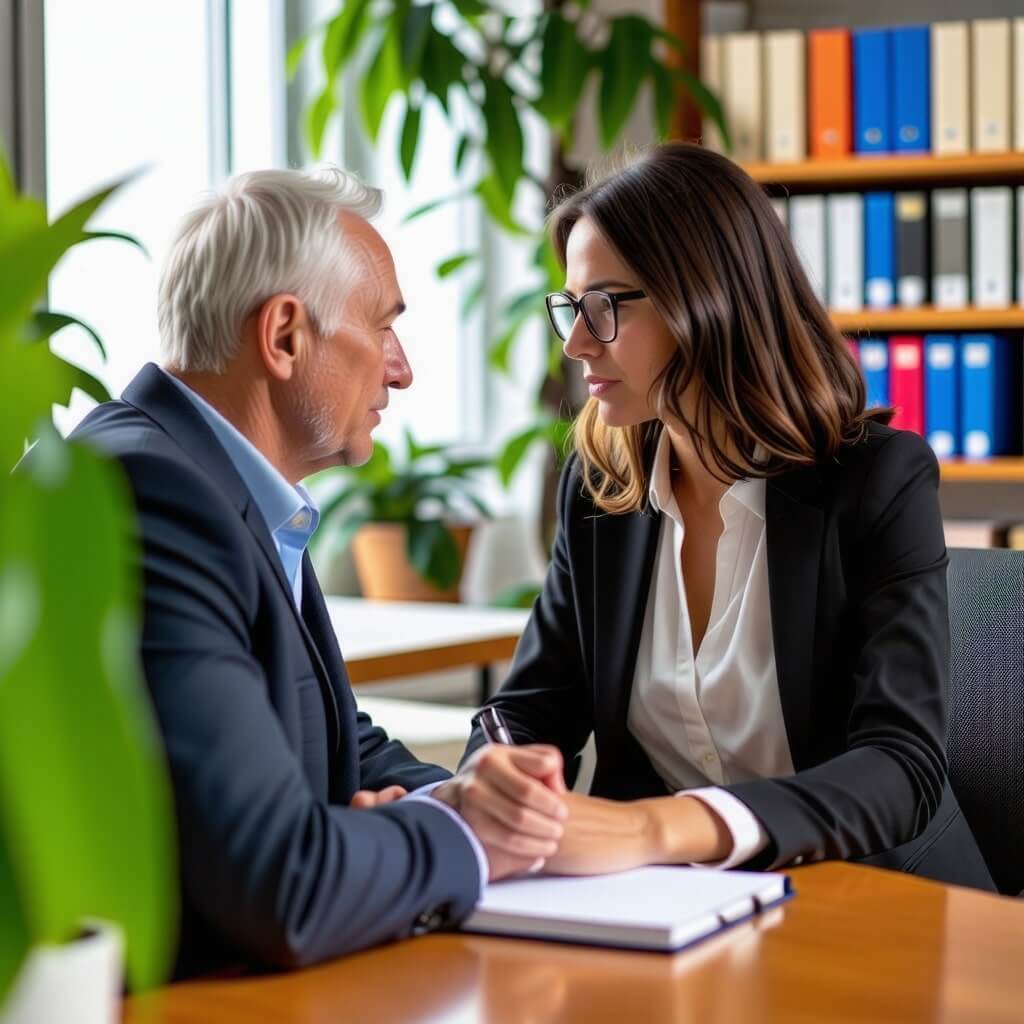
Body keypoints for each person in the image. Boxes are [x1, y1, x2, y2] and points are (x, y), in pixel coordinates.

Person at [69, 168, 569, 977]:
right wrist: (466, 834)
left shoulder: (217, 485)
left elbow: (329, 742)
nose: (401, 370)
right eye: (382, 328)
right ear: (285, 336)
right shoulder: (151, 497)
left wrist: (464, 800)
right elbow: (282, 879)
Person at [462, 143, 994, 890]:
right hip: (678, 905)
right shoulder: (598, 489)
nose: (577, 341)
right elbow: (531, 708)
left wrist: (660, 825)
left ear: (709, 302)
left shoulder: (878, 481)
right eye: (570, 307)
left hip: (876, 896)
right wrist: (486, 786)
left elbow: (899, 768)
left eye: (606, 305)